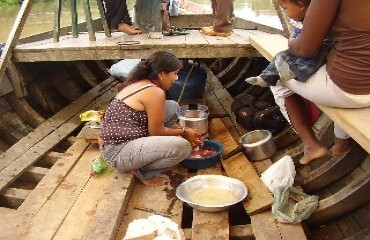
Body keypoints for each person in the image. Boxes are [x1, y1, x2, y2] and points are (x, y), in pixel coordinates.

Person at [270, 0, 370, 165]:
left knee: (277, 74)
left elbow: (304, 49)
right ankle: (340, 144)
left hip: (350, 90)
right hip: (362, 88)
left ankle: (311, 145)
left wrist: (291, 40)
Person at [99, 51, 202, 186]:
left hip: (117, 143)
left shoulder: (141, 82)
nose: (176, 78)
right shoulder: (155, 92)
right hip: (117, 153)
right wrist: (184, 132)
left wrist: (182, 130)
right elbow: (156, 131)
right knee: (182, 147)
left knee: (172, 106)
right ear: (161, 74)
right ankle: (143, 171)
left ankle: (151, 152)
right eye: (175, 73)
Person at [245, 0, 332, 87]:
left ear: (301, 6)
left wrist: (293, 41)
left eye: (285, 9)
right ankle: (266, 78)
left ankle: (293, 73)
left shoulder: (316, 20)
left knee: (309, 61)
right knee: (280, 56)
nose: (285, 13)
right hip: (299, 46)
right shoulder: (300, 20)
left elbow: (310, 44)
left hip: (315, 49)